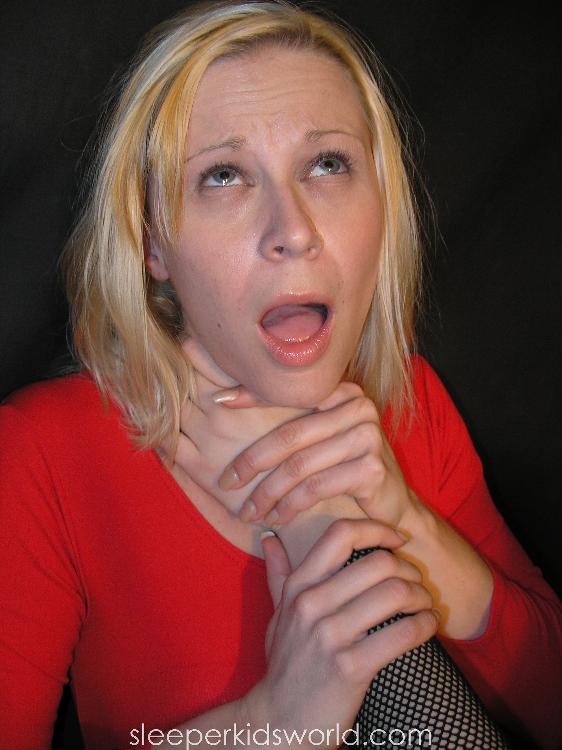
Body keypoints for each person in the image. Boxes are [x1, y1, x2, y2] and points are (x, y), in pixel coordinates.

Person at [0, 1, 560, 749]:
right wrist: (269, 724)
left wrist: (407, 524)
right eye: (224, 176)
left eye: (327, 164)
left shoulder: (409, 401)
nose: (293, 230)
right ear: (152, 244)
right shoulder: (47, 452)